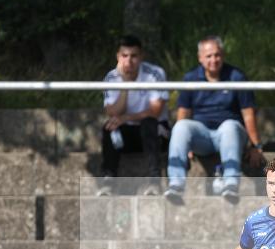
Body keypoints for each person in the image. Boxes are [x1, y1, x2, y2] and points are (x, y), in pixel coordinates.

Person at [164, 36, 264, 204]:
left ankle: (231, 183)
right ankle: (176, 183)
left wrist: (256, 146)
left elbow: (248, 114)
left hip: (231, 134)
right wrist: (185, 143)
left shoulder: (236, 77)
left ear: (223, 55)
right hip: (202, 135)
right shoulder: (191, 78)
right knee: (181, 127)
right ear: (200, 58)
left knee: (229, 126)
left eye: (217, 55)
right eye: (208, 56)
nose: (213, 60)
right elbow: (183, 113)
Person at [97, 34, 170, 196]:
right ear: (118, 57)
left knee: (148, 123)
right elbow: (112, 112)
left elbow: (155, 111)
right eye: (124, 56)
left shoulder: (155, 74)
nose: (129, 61)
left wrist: (126, 118)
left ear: (141, 56)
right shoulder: (111, 77)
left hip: (155, 133)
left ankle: (154, 181)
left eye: (134, 56)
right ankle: (108, 180)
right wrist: (125, 86)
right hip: (128, 136)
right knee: (109, 128)